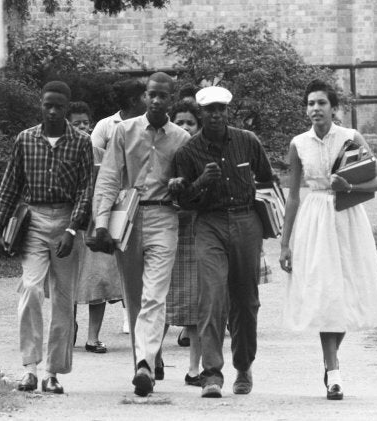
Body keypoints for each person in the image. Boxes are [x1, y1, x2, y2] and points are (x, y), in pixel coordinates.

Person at [278, 79, 377, 400]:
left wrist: (349, 187)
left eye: (321, 103)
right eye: (310, 103)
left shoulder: (350, 138)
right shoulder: (299, 143)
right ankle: (334, 369)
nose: (315, 109)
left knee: (343, 293)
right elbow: (294, 197)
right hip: (314, 221)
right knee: (325, 292)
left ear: (333, 107)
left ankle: (330, 364)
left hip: (347, 218)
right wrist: (285, 244)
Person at [92, 72, 191, 397]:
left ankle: (144, 366)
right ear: (145, 96)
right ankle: (150, 355)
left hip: (164, 215)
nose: (157, 100)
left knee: (154, 293)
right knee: (134, 296)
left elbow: (188, 186)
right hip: (128, 217)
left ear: (170, 99)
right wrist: (102, 223)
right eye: (152, 94)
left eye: (163, 95)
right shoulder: (124, 131)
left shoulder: (181, 139)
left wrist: (182, 187)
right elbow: (108, 179)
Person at [0, 81, 94, 394]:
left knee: (64, 301)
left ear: (66, 108)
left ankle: (52, 372)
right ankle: (30, 369)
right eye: (47, 104)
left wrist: (73, 228)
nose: (52, 110)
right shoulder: (25, 139)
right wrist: (0, 223)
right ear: (41, 105)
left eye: (59, 106)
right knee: (32, 290)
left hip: (66, 221)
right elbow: (11, 181)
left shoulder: (80, 142)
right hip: (33, 219)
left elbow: (85, 189)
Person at [173, 86, 273, 398]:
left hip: (246, 221)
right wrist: (202, 181)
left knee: (245, 299)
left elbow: (268, 181)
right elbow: (183, 201)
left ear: (228, 110)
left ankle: (243, 365)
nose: (216, 115)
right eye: (209, 110)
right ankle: (212, 373)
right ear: (200, 113)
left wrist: (267, 219)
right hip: (209, 223)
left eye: (221, 109)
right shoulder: (187, 152)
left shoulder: (247, 141)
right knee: (212, 296)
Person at [91, 78, 147, 334]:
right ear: (134, 99)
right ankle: (129, 312)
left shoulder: (150, 124)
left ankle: (138, 313)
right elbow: (94, 158)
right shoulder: (106, 125)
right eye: (145, 95)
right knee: (123, 259)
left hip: (143, 197)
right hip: (117, 201)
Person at [66, 102, 122, 354]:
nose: (81, 128)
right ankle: (69, 326)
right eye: (75, 123)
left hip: (97, 223)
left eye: (84, 124)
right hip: (70, 224)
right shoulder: (62, 154)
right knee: (69, 280)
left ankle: (93, 336)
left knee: (98, 279)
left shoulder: (101, 154)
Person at [156, 100, 203, 386]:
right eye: (180, 122)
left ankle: (195, 368)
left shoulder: (202, 153)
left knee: (196, 303)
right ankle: (153, 355)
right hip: (166, 229)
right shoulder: (162, 154)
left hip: (196, 231)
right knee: (160, 300)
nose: (185, 127)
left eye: (191, 123)